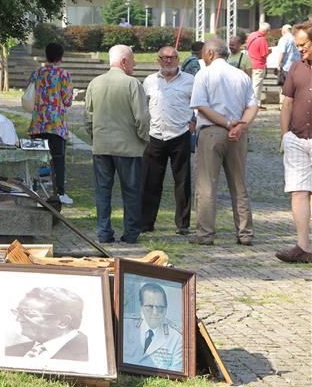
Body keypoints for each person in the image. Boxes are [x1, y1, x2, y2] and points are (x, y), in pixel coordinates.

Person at [189, 38, 259, 245]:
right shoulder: (240, 75)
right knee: (239, 184)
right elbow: (253, 105)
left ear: (210, 54)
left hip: (212, 132)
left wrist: (229, 124)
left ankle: (205, 234)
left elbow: (201, 106)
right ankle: (245, 233)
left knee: (206, 185)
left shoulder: (204, 74)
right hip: (238, 135)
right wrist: (240, 126)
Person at [84, 45, 150, 244]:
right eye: (132, 60)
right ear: (123, 62)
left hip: (102, 147)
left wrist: (96, 138)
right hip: (128, 148)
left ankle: (104, 232)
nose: (135, 63)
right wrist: (143, 139)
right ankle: (131, 233)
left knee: (102, 192)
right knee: (131, 192)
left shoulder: (94, 83)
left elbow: (88, 118)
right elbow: (142, 118)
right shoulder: (132, 84)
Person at [141, 45, 196, 235]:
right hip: (155, 136)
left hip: (180, 135)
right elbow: (143, 107)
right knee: (151, 181)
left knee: (182, 181)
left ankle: (183, 224)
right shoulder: (149, 81)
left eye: (172, 57)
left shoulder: (190, 81)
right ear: (158, 60)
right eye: (164, 58)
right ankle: (146, 222)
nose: (169, 61)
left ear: (178, 59)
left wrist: (194, 122)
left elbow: (199, 104)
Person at [275, 22, 312, 264]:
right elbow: (287, 102)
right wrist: (285, 135)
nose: (300, 49)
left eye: (304, 45)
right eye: (297, 45)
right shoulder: (296, 67)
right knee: (298, 192)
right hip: (297, 139)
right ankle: (302, 246)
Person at [26, 42, 74, 205]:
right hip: (55, 125)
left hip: (38, 123)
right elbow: (67, 101)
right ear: (61, 56)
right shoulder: (63, 74)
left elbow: (29, 95)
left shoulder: (36, 73)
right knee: (58, 159)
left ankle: (33, 190)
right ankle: (60, 192)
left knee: (36, 159)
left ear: (46, 55)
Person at [5, 287, 88, 362]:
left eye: (29, 314)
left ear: (63, 321)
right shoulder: (10, 352)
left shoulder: (90, 354)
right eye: (18, 313)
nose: (19, 319)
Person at [122, 283, 183, 372]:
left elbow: (176, 372)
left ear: (166, 309)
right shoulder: (125, 326)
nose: (155, 312)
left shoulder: (177, 339)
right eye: (149, 307)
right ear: (141, 306)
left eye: (160, 307)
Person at [246, 22, 271, 109]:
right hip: (259, 65)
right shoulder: (262, 40)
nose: (268, 33)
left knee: (251, 85)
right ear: (266, 31)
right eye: (268, 31)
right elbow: (264, 54)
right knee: (257, 85)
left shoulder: (251, 35)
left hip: (249, 63)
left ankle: (251, 102)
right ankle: (255, 104)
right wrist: (269, 51)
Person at [275, 24, 301, 105]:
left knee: (284, 86)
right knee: (295, 86)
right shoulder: (295, 38)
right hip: (297, 65)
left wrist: (278, 64)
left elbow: (282, 52)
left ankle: (283, 104)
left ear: (283, 31)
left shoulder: (284, 39)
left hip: (286, 66)